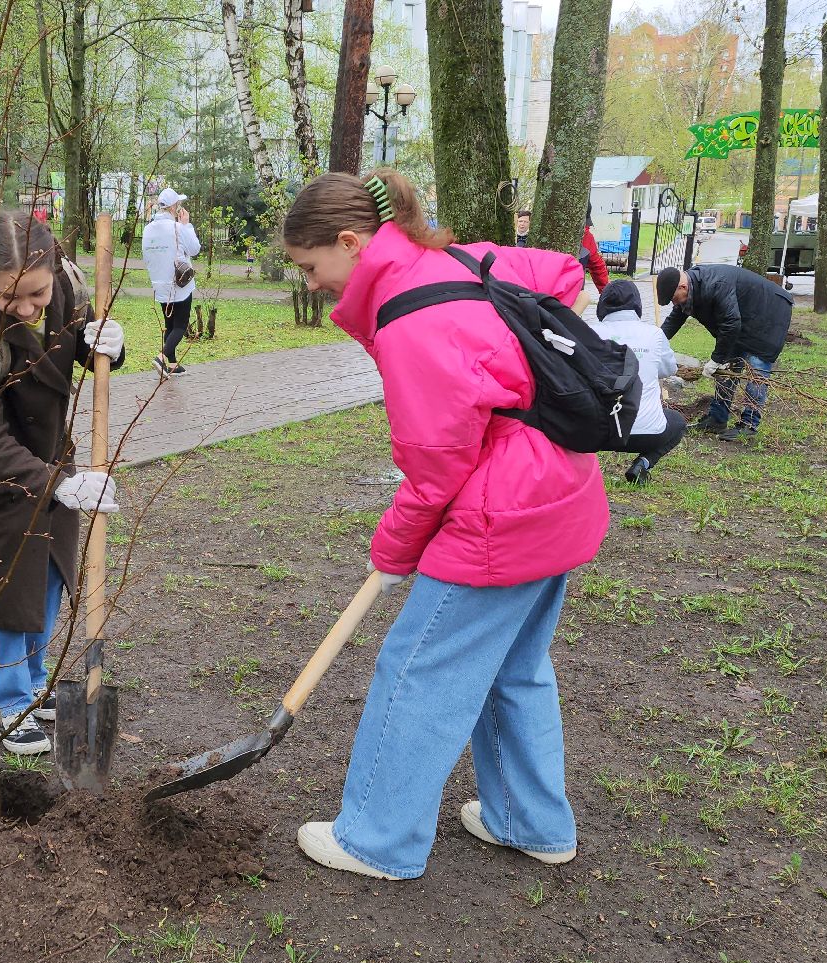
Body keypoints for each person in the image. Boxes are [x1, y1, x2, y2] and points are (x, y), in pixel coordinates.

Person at [279, 169, 610, 881]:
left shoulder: (409, 321)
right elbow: (564, 273)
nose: (311, 283)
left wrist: (391, 550)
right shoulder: (460, 259)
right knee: (513, 668)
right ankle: (530, 821)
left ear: (349, 242)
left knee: (419, 669)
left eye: (310, 266)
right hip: (559, 487)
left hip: (502, 513)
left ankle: (377, 839)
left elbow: (435, 470)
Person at [0, 211, 125, 755]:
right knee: (4, 584)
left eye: (38, 294)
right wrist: (54, 483)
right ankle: (3, 699)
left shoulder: (67, 286)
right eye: (11, 297)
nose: (29, 308)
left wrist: (104, 345)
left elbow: (75, 347)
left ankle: (32, 682)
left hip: (49, 448)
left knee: (49, 572)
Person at [655, 264, 793, 442]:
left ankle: (749, 424)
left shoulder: (715, 285)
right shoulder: (691, 287)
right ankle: (717, 419)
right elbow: (675, 319)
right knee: (728, 365)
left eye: (674, 299)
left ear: (682, 287)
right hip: (741, 315)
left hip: (769, 312)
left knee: (756, 368)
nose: (675, 303)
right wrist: (654, 343)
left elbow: (731, 323)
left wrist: (716, 359)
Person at [589, 279, 685, 483]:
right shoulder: (654, 334)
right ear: (637, 304)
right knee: (677, 422)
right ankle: (643, 463)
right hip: (648, 433)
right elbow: (669, 369)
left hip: (597, 433)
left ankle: (579, 469)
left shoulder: (589, 332)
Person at [140, 188, 200, 379]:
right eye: (178, 204)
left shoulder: (148, 229)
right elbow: (195, 249)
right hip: (180, 284)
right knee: (180, 325)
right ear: (174, 207)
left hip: (159, 284)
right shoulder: (178, 228)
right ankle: (162, 357)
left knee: (170, 323)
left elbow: (146, 256)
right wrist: (187, 225)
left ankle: (172, 364)